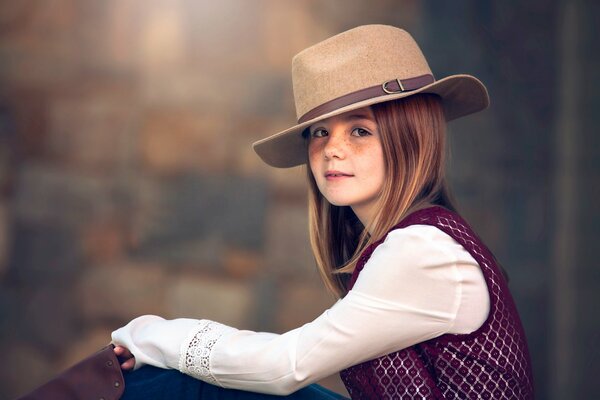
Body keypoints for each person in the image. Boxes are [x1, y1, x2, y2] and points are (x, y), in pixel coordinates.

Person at [18, 25, 534, 400]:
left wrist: (151, 334)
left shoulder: (422, 252)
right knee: (185, 381)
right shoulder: (408, 243)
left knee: (175, 381)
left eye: (359, 130)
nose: (331, 150)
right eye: (319, 133)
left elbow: (285, 365)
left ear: (411, 135)